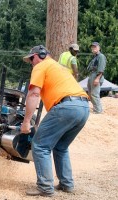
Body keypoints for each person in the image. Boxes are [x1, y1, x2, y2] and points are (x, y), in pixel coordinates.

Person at [20, 45, 90, 196]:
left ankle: (45, 187)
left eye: (31, 59)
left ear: (40, 55)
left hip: (66, 107)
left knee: (40, 145)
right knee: (61, 146)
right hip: (83, 108)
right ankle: (67, 184)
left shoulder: (41, 66)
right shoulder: (59, 67)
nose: (31, 62)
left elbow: (33, 94)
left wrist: (26, 122)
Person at [87, 42, 107, 114]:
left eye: (95, 47)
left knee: (94, 94)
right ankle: (96, 108)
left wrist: (97, 78)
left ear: (99, 48)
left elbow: (101, 68)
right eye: (92, 47)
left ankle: (98, 110)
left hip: (96, 75)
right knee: (90, 93)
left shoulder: (101, 56)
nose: (93, 48)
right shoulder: (95, 56)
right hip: (92, 75)